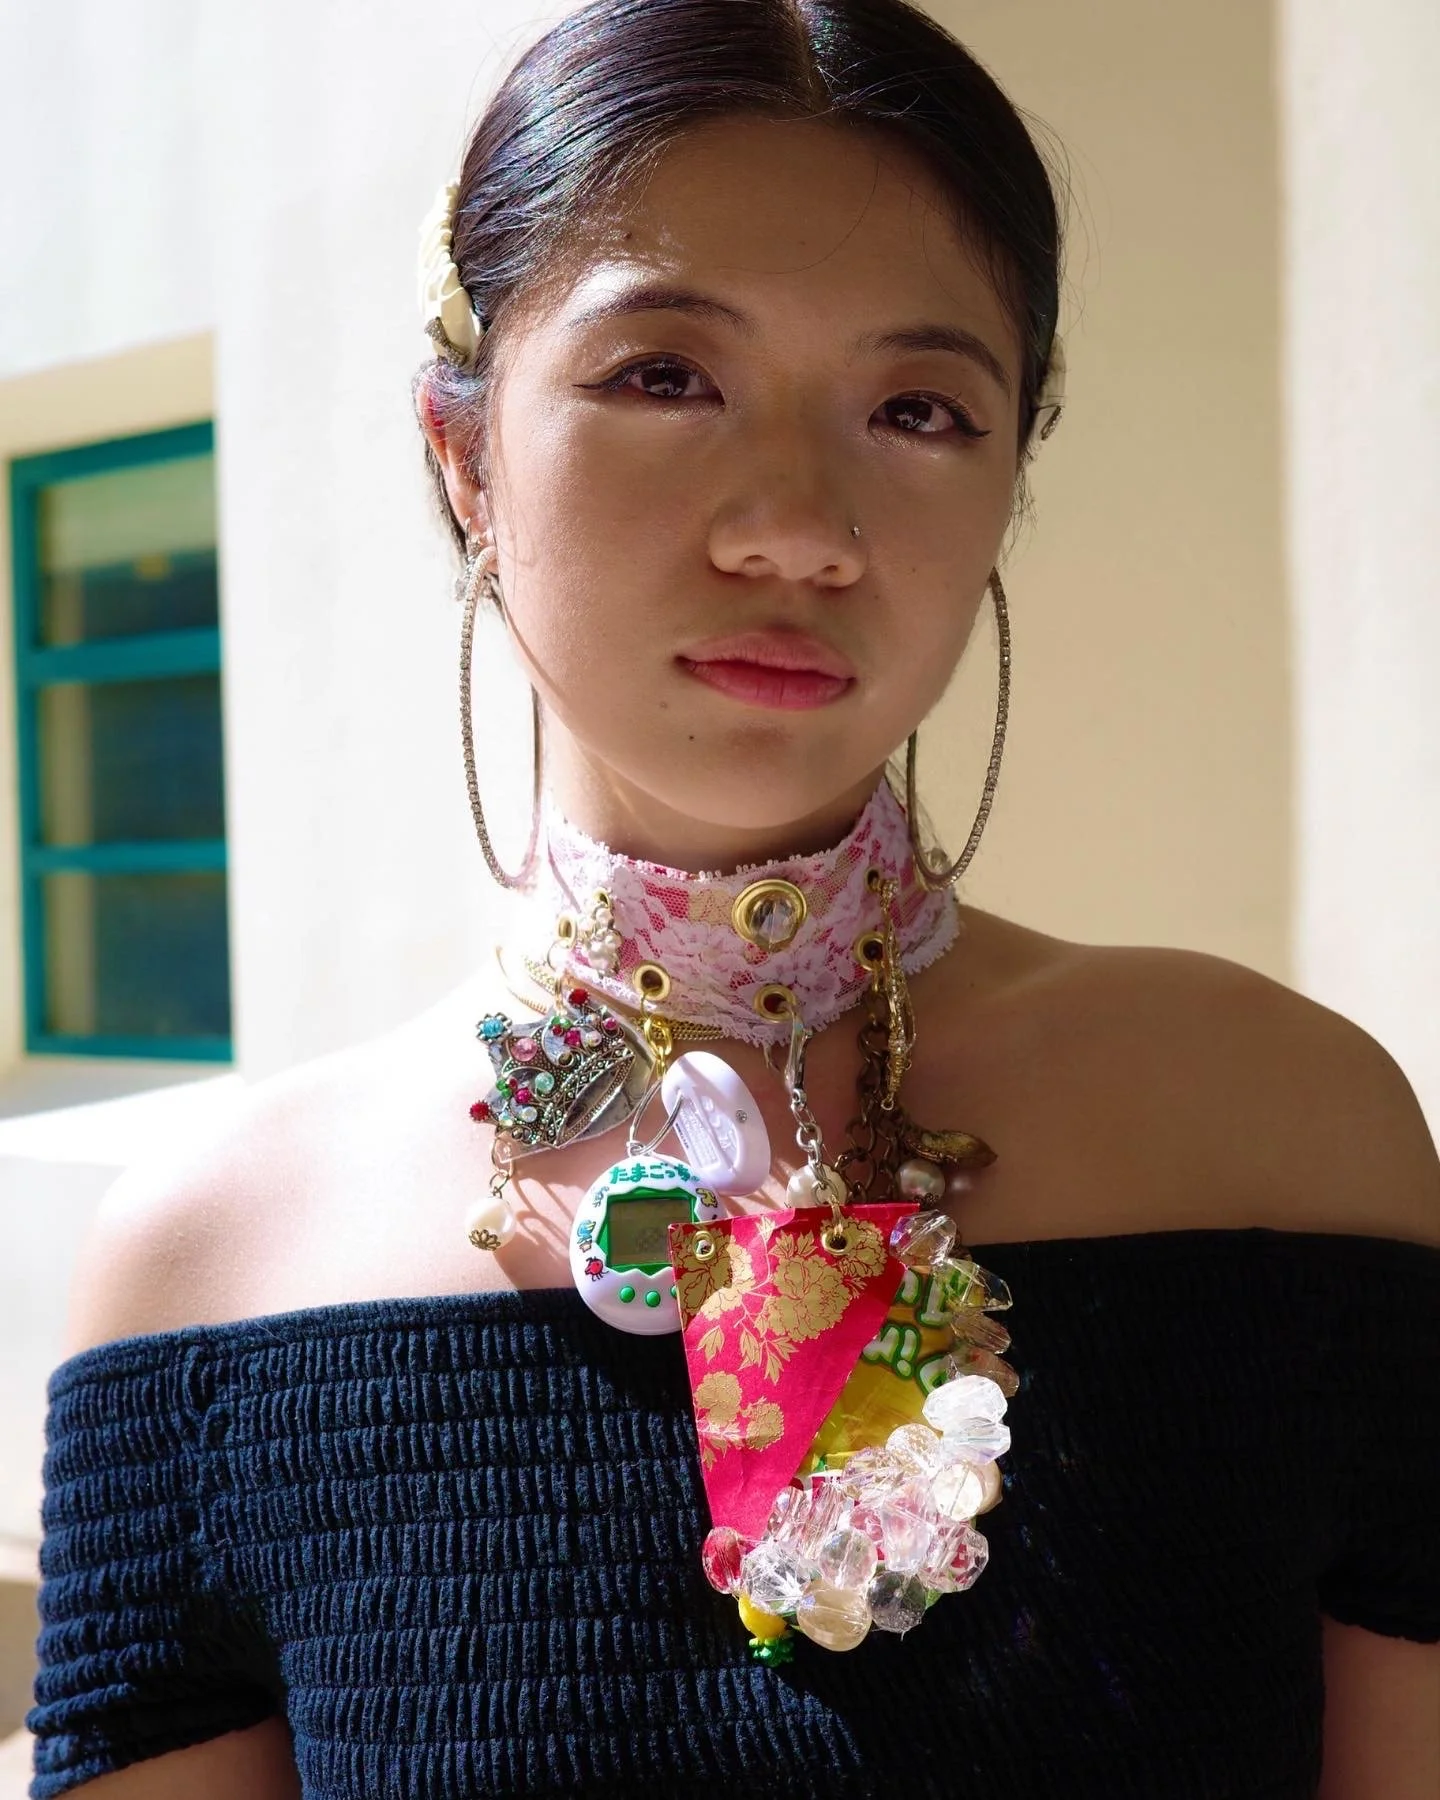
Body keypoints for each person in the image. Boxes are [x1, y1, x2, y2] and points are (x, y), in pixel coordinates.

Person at [26, 1, 1440, 1795]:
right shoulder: (205, 1271)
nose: (797, 526)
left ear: (1010, 482)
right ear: (462, 451)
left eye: (918, 409)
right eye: (663, 377)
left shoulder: (1289, 1134)